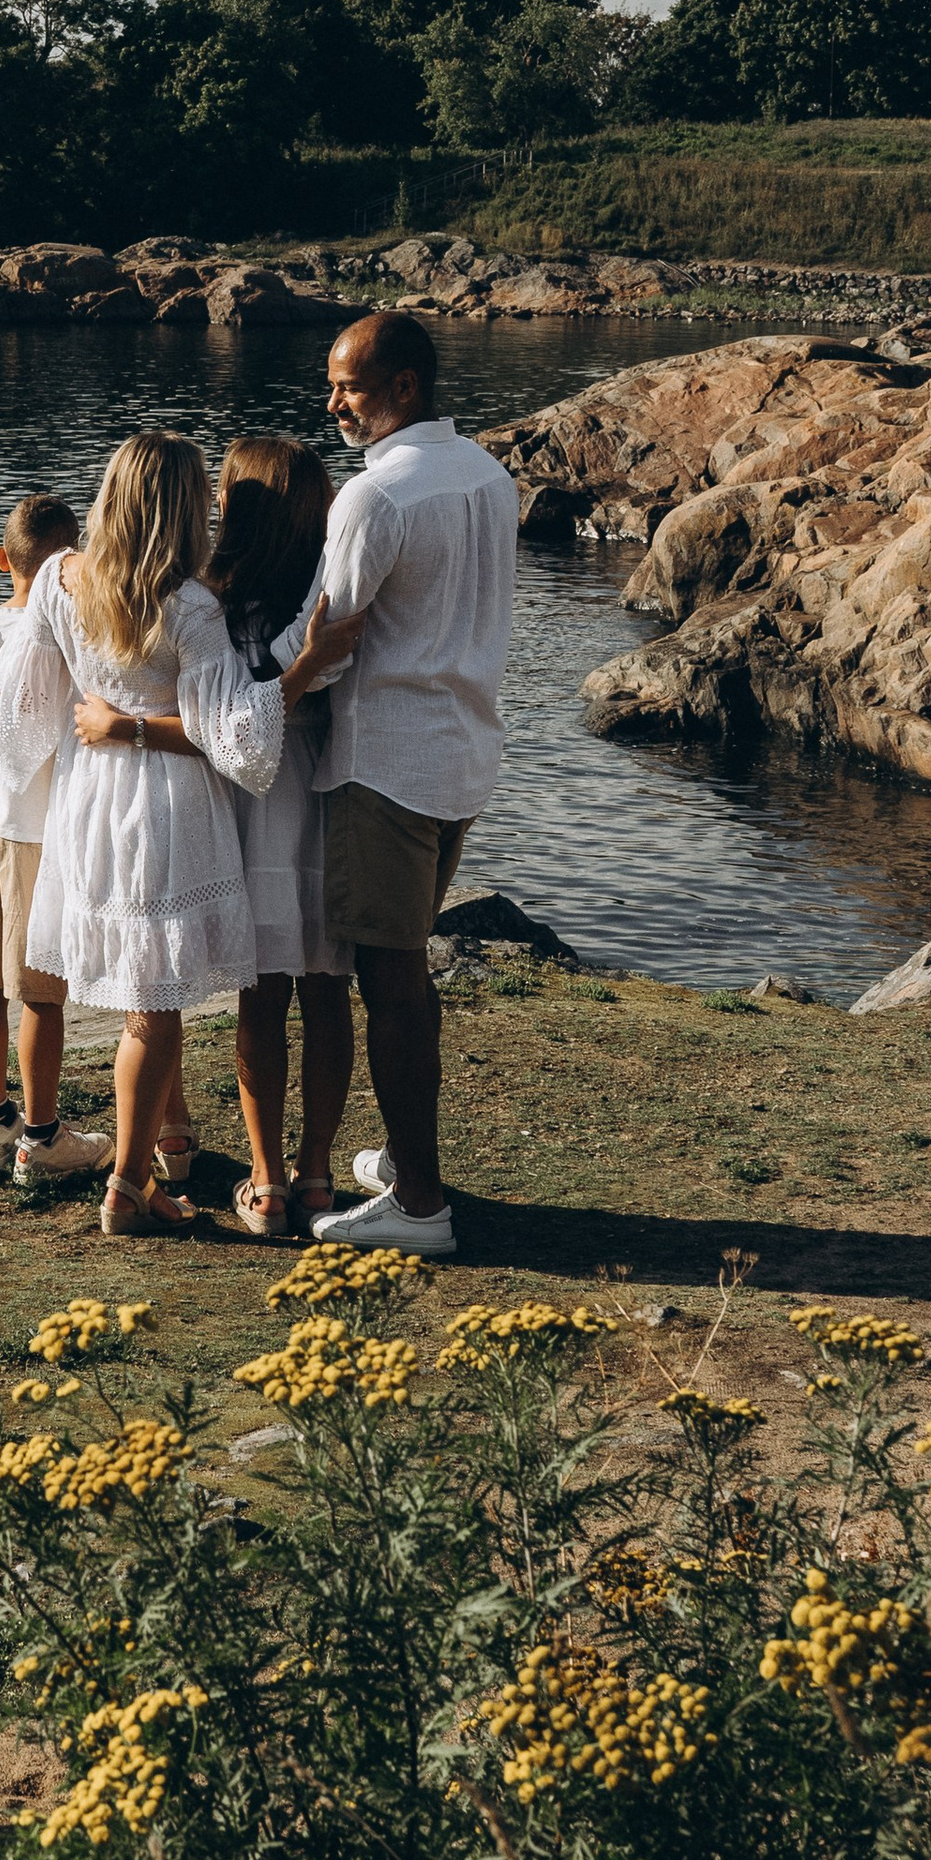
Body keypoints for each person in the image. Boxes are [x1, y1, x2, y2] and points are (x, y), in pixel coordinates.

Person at [0, 430, 358, 1240]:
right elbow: (238, 737)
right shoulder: (191, 607)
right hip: (166, 809)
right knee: (154, 1007)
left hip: (88, 803)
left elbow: (26, 713)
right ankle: (125, 1187)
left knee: (139, 1004)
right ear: (184, 506)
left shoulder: (56, 580)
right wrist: (304, 666)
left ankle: (146, 1169)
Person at [302, 310, 520, 1259]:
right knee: (406, 973)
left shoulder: (376, 498)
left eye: (350, 385)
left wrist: (235, 678)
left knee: (389, 980)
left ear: (405, 387)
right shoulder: (488, 475)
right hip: (464, 752)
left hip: (384, 764)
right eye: (334, 384)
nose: (335, 402)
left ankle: (421, 1205)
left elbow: (329, 633)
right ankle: (403, 1157)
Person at [202, 434, 356, 1242]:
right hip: (331, 792)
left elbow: (225, 711)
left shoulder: (216, 593)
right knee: (329, 988)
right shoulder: (333, 582)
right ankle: (318, 1174)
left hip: (255, 801)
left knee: (261, 997)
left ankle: (263, 1183)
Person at [0, 491, 109, 1188]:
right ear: (73, 562)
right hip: (42, 833)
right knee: (40, 992)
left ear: (3, 557)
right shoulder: (76, 631)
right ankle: (40, 1140)